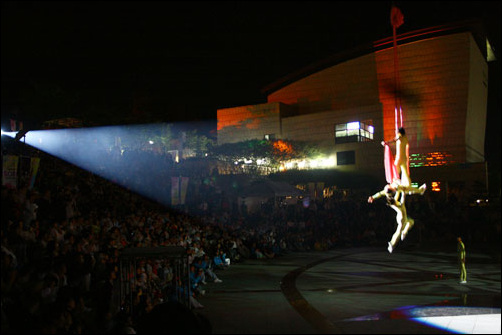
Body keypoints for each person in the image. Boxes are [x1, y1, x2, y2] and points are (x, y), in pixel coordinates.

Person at [368, 182, 415, 253]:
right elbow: (402, 198)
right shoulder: (399, 204)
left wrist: (399, 191)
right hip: (402, 218)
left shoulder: (393, 203)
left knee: (411, 222)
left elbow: (394, 197)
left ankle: (404, 232)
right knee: (399, 231)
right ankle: (392, 244)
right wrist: (402, 192)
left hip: (400, 217)